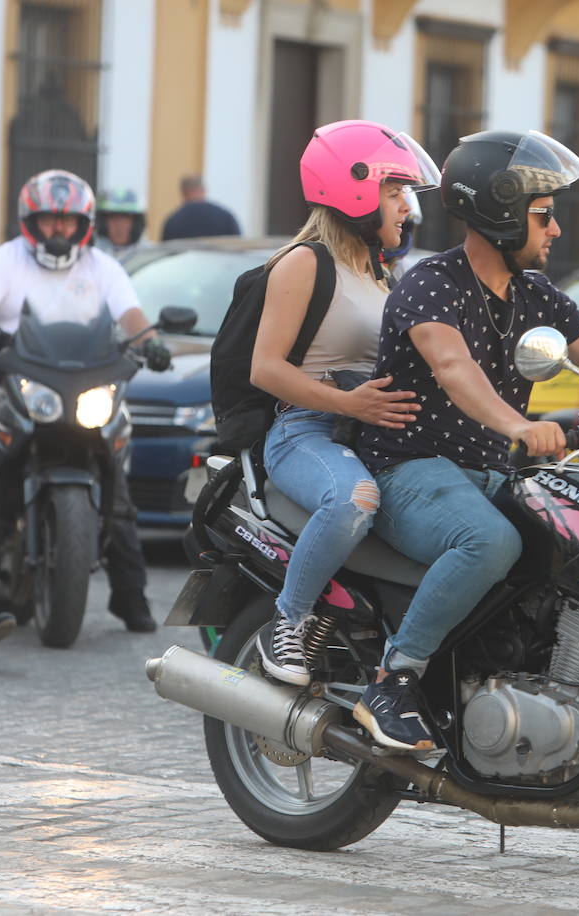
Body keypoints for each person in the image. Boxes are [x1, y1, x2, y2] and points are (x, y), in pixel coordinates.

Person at [353, 130, 579, 751]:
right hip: (410, 468)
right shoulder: (430, 283)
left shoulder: (534, 295)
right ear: (500, 214)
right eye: (544, 216)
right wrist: (520, 426)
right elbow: (453, 368)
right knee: (489, 541)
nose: (555, 231)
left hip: (490, 473)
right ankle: (394, 679)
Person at [0, 169, 173, 639]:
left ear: (84, 223)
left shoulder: (100, 266)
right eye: (50, 220)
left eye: (69, 222)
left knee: (117, 486)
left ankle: (131, 597)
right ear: (31, 220)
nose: (60, 230)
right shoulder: (4, 260)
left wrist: (150, 341)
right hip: (5, 388)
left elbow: (129, 312)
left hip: (83, 391)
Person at [250, 120, 438, 685]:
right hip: (306, 431)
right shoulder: (305, 262)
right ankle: (287, 619)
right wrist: (348, 405)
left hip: (372, 428)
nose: (406, 207)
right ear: (354, 189)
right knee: (353, 501)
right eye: (395, 192)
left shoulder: (385, 274)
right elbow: (265, 369)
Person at [161, 175, 240, 241]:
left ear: (183, 192)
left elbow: (165, 251)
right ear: (203, 190)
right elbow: (238, 246)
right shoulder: (225, 216)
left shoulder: (173, 221)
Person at [94, 188, 147, 258]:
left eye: (125, 219)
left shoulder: (147, 254)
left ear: (135, 223)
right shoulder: (93, 252)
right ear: (104, 222)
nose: (119, 225)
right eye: (113, 218)